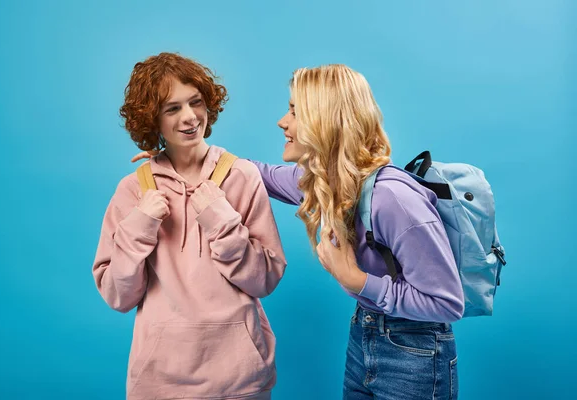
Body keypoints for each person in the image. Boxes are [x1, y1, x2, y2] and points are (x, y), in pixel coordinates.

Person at [133, 64, 464, 399]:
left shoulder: (394, 199)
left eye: (295, 110)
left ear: (327, 119)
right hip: (365, 335)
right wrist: (179, 155)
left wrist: (356, 280)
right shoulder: (325, 184)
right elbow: (253, 172)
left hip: (416, 351)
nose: (283, 121)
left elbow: (447, 304)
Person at [94, 52, 287, 400]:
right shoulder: (134, 189)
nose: (189, 117)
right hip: (159, 381)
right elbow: (118, 296)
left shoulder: (241, 176)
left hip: (239, 380)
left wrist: (219, 218)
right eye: (172, 109)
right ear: (152, 120)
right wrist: (140, 225)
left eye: (195, 103)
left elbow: (265, 279)